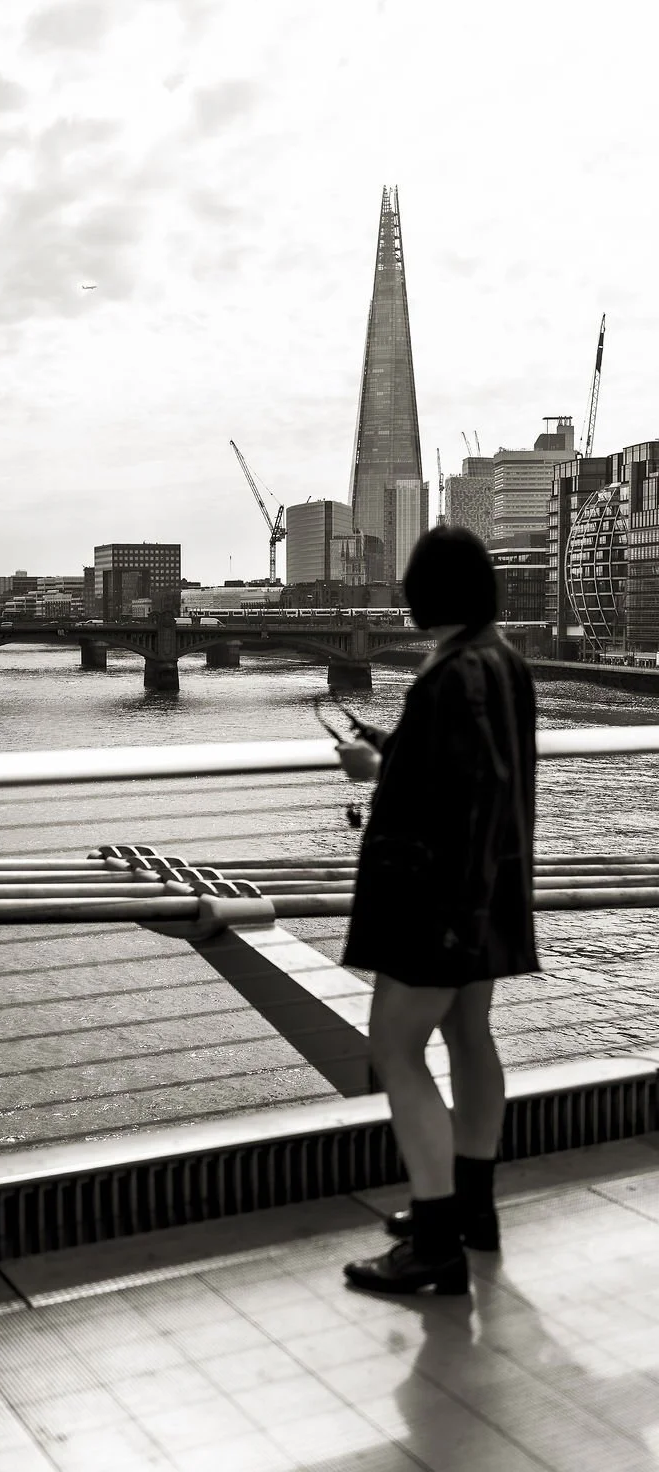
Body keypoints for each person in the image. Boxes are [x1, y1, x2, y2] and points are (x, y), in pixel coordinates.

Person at [336, 527, 537, 1296]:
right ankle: (470, 1212)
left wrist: (371, 772)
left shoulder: (452, 671)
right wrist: (392, 748)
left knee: (396, 1051)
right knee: (469, 1036)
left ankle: (434, 1238)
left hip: (438, 899)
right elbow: (472, 774)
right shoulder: (504, 659)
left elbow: (451, 798)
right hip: (493, 891)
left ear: (431, 592)